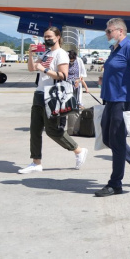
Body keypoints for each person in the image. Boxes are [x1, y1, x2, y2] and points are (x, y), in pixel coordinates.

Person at [19, 27, 88, 174]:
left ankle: (78, 150)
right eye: (45, 37)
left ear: (57, 37)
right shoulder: (46, 53)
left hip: (51, 95)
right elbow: (32, 69)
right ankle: (36, 162)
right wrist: (31, 55)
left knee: (53, 130)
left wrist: (44, 70)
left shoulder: (61, 54)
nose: (46, 39)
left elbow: (63, 75)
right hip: (39, 93)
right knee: (35, 130)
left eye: (49, 36)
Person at [95, 18, 130, 197]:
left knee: (117, 140)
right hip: (111, 99)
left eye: (109, 31)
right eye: (106, 31)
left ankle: (115, 184)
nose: (107, 34)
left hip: (123, 100)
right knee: (108, 138)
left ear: (120, 31)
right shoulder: (115, 48)